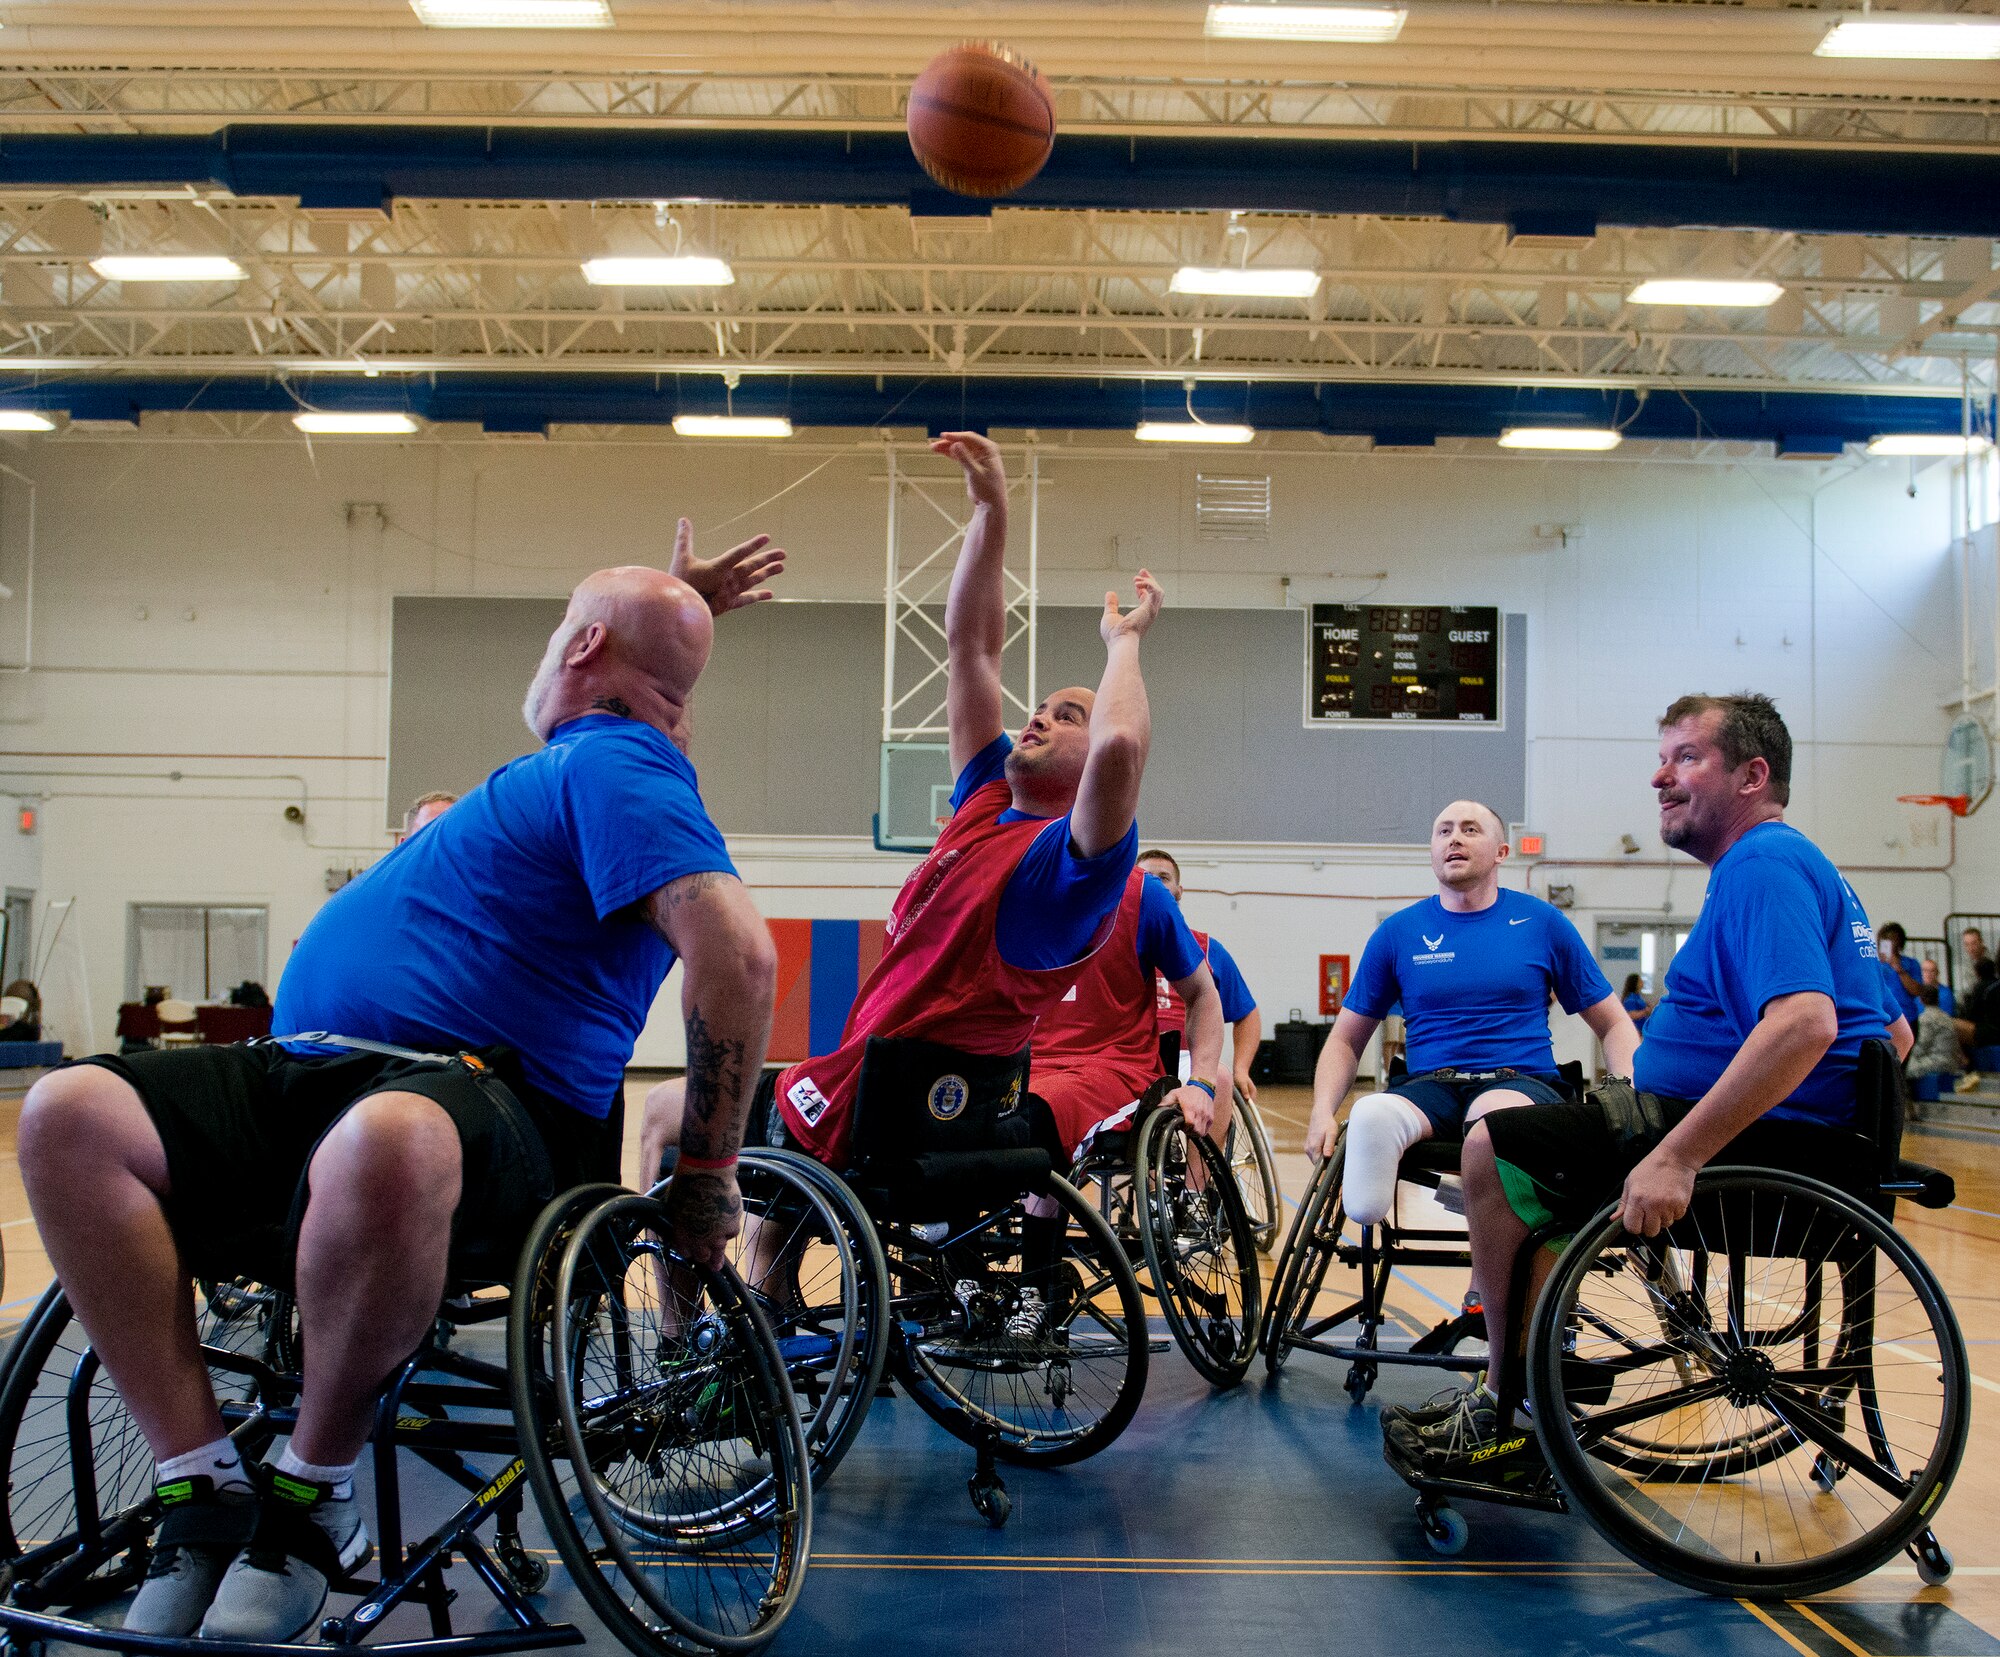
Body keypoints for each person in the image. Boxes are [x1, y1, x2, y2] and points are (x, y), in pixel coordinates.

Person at [17, 520, 788, 1643]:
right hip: (313, 1079)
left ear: (575, 642)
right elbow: (634, 680)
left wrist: (709, 1173)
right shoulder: (576, 767)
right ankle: (198, 1483)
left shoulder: (617, 761)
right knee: (69, 1110)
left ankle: (302, 1495)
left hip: (484, 1110)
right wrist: (672, 612)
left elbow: (739, 955)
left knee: (392, 1135)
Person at [641, 432, 1165, 1337]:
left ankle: (687, 1352)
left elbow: (1120, 745)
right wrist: (991, 514)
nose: (1040, 712)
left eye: (1066, 714)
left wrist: (1123, 645)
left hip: (897, 1111)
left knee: (662, 1119)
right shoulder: (984, 805)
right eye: (1044, 704)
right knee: (751, 1193)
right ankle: (748, 1345)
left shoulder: (1065, 871)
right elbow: (970, 649)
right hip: (877, 1089)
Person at [1393, 693, 1917, 1480]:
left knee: (1493, 1149)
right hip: (1792, 1145)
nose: (1659, 776)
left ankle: (1512, 1407)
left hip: (1766, 1159)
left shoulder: (1762, 864)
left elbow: (1808, 1023)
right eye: (1662, 758)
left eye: (1685, 758)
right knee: (1545, 1147)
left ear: (1752, 774)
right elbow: (1894, 1035)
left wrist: (1679, 1155)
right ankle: (1533, 1387)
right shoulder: (1790, 865)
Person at [1305, 800, 1640, 1233]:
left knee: (1492, 1122)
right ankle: (1466, 1211)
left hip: (1519, 1081)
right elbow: (1346, 1040)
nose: (1454, 839)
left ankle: (1481, 1290)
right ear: (1431, 850)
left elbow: (1613, 1024)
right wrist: (1321, 1110)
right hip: (1430, 1086)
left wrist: (1624, 1096)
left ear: (1501, 852)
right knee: (1370, 1117)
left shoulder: (1543, 923)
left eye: (1469, 829)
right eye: (1443, 831)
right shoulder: (1397, 933)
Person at [1030, 865, 1225, 1164]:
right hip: (1025, 1066)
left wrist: (1201, 1083)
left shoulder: (1145, 895)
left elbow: (1206, 995)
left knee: (1038, 1112)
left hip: (1112, 1068)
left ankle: (1195, 1189)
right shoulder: (1009, 884)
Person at [1136, 847, 1261, 1104]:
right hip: (1132, 1052)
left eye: (1164, 877)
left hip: (1186, 1057)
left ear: (1179, 891)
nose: (1156, 884)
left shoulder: (1207, 948)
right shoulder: (1114, 944)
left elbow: (1247, 1013)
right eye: (1148, 878)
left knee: (1218, 1077)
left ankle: (1199, 1145)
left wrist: (1241, 1068)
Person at [1906, 984, 1965, 1091]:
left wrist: (1906, 1057)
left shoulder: (1926, 1018)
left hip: (1938, 1062)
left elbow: (1922, 1046)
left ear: (1921, 999)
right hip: (1951, 1061)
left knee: (1905, 1069)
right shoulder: (1946, 1016)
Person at [1877, 922, 1923, 1029]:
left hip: (1908, 1017)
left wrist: (1899, 969)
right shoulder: (1875, 965)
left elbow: (1916, 991)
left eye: (1893, 940)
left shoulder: (1911, 964)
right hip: (1883, 1017)